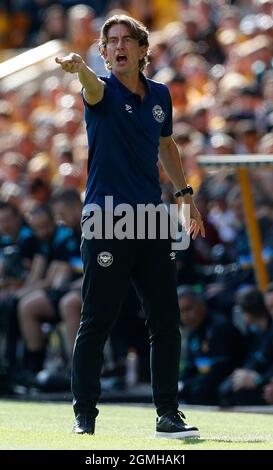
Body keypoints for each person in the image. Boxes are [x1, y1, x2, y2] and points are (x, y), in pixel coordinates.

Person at [56, 14, 205, 438]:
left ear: (142, 49)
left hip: (152, 221)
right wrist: (80, 68)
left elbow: (165, 145)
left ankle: (168, 415)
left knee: (165, 319)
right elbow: (92, 87)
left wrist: (184, 197)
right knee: (97, 319)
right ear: (103, 52)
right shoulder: (100, 89)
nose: (118, 46)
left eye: (126, 40)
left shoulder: (159, 94)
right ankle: (84, 414)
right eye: (110, 41)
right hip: (106, 222)